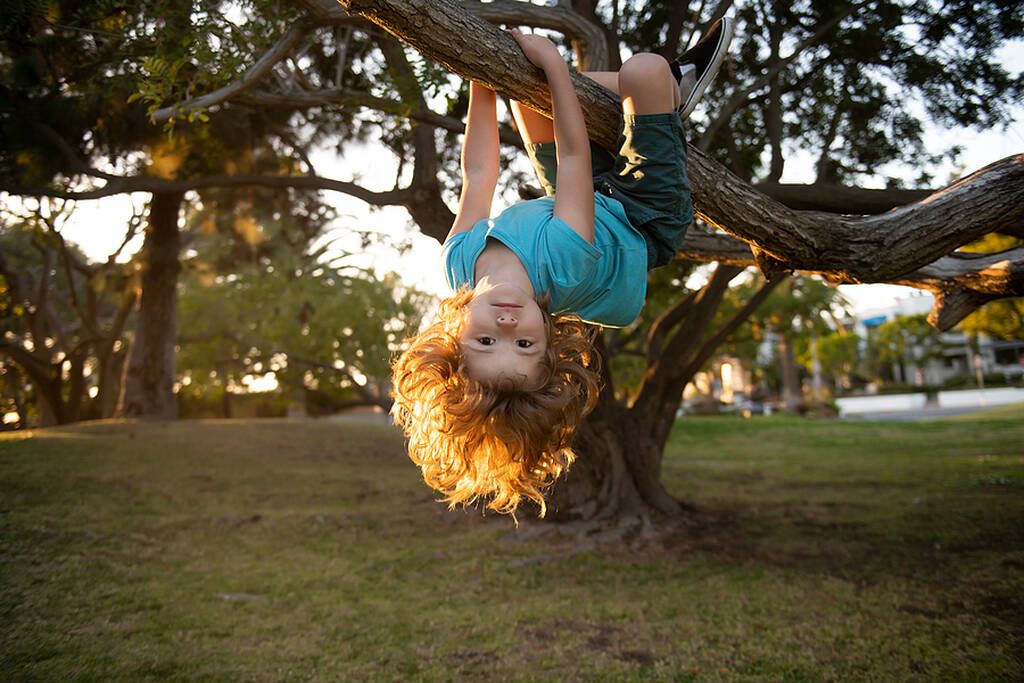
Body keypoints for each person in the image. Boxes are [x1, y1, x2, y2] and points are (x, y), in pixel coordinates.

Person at [391, 19, 735, 518]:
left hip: (574, 198)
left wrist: (479, 78)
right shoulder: (565, 269)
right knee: (643, 70)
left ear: (453, 341)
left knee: (521, 89)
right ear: (550, 343)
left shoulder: (459, 264)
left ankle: (644, 101)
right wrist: (554, 61)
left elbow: (479, 172)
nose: (507, 326)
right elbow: (572, 153)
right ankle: (667, 89)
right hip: (642, 214)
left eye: (486, 342)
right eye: (525, 344)